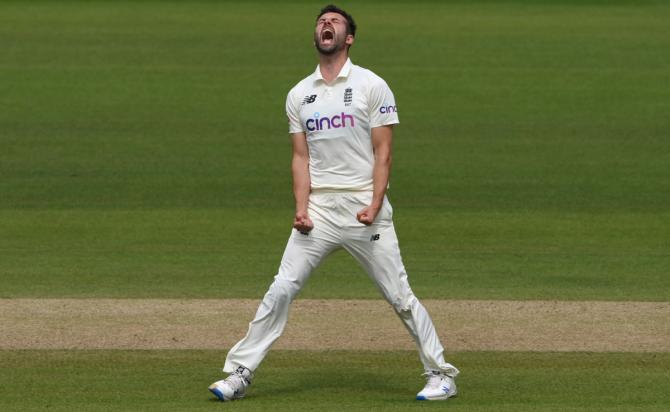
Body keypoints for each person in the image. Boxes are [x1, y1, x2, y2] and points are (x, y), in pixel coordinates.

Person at [209, 4, 459, 402]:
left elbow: (384, 153)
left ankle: (440, 373)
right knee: (281, 289)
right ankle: (239, 373)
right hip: (320, 212)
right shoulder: (299, 94)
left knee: (399, 296)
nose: (326, 25)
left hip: (365, 209)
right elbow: (300, 157)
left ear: (349, 38)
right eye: (321, 22)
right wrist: (301, 208)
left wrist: (375, 203)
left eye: (335, 22)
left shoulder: (371, 85)